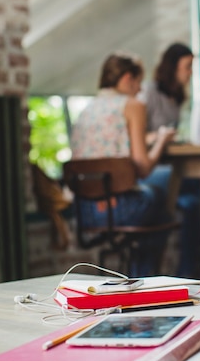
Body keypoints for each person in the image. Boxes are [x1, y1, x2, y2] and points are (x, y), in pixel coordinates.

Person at [70, 51, 176, 275]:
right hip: (121, 208)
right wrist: (162, 139)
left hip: (86, 210)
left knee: (157, 207)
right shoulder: (132, 105)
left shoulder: (86, 109)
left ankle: (134, 276)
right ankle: (143, 279)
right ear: (128, 78)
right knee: (164, 193)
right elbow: (144, 168)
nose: (140, 90)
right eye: (138, 82)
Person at [138, 43, 200, 278]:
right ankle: (186, 269)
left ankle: (190, 268)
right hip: (151, 169)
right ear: (172, 67)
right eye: (187, 67)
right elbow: (136, 137)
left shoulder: (176, 97)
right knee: (196, 191)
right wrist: (160, 137)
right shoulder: (149, 92)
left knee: (196, 200)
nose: (190, 73)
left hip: (169, 166)